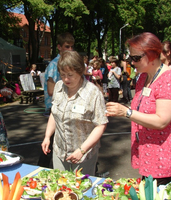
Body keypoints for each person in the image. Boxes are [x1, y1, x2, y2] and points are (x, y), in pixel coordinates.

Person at [106, 32, 171, 186]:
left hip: (166, 157)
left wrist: (126, 112)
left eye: (136, 58)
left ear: (152, 55)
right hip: (150, 154)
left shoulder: (169, 79)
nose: (132, 62)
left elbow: (161, 121)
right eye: (130, 58)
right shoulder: (143, 78)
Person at [41, 51, 108, 175]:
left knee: (81, 189)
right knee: (60, 187)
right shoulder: (58, 87)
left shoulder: (93, 93)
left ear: (80, 71)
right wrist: (47, 137)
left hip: (83, 156)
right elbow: (54, 114)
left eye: (70, 75)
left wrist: (82, 150)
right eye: (63, 74)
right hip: (59, 152)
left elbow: (101, 124)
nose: (66, 79)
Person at [38, 32, 74, 168]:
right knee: (52, 141)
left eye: (72, 47)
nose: (70, 50)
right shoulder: (55, 65)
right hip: (56, 108)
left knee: (57, 141)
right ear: (59, 47)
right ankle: (42, 168)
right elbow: (51, 90)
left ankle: (44, 167)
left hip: (64, 107)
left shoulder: (66, 63)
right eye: (67, 46)